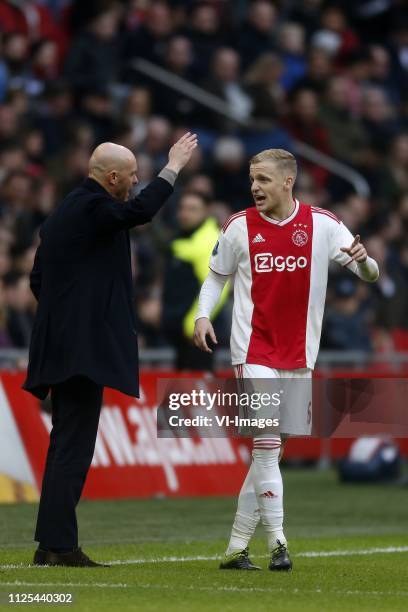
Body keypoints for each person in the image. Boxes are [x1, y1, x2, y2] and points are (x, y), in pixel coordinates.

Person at [193, 149, 379, 571]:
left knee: (271, 453)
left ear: (287, 181)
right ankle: (278, 543)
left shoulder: (324, 225)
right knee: (266, 443)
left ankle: (236, 548)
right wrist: (204, 314)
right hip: (253, 349)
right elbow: (216, 277)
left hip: (299, 354)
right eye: (252, 179)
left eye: (262, 179)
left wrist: (364, 261)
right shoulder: (239, 226)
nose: (255, 186)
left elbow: (372, 275)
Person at [24, 132, 197, 567]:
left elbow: (37, 280)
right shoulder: (93, 207)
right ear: (113, 177)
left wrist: (68, 310)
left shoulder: (65, 212)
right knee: (74, 447)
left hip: (63, 344)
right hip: (81, 350)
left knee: (65, 444)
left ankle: (51, 544)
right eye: (134, 175)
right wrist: (171, 168)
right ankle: (61, 548)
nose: (137, 181)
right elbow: (139, 212)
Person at [161, 190, 228, 370]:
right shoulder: (181, 239)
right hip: (179, 332)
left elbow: (219, 287)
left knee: (197, 389)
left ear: (206, 211)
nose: (185, 214)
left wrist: (194, 324)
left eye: (192, 209)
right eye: (182, 208)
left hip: (197, 333)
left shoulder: (210, 241)